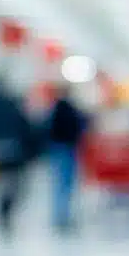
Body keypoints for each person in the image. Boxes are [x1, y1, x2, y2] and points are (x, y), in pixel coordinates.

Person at [0, 77, 35, 236]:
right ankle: (5, 210)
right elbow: (24, 126)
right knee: (12, 184)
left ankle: (2, 208)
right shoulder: (13, 105)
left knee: (2, 182)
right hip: (13, 149)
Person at [44, 91, 88, 233]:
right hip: (67, 149)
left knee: (60, 184)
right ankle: (62, 217)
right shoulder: (69, 109)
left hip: (57, 148)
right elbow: (77, 127)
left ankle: (60, 216)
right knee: (65, 184)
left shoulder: (56, 109)